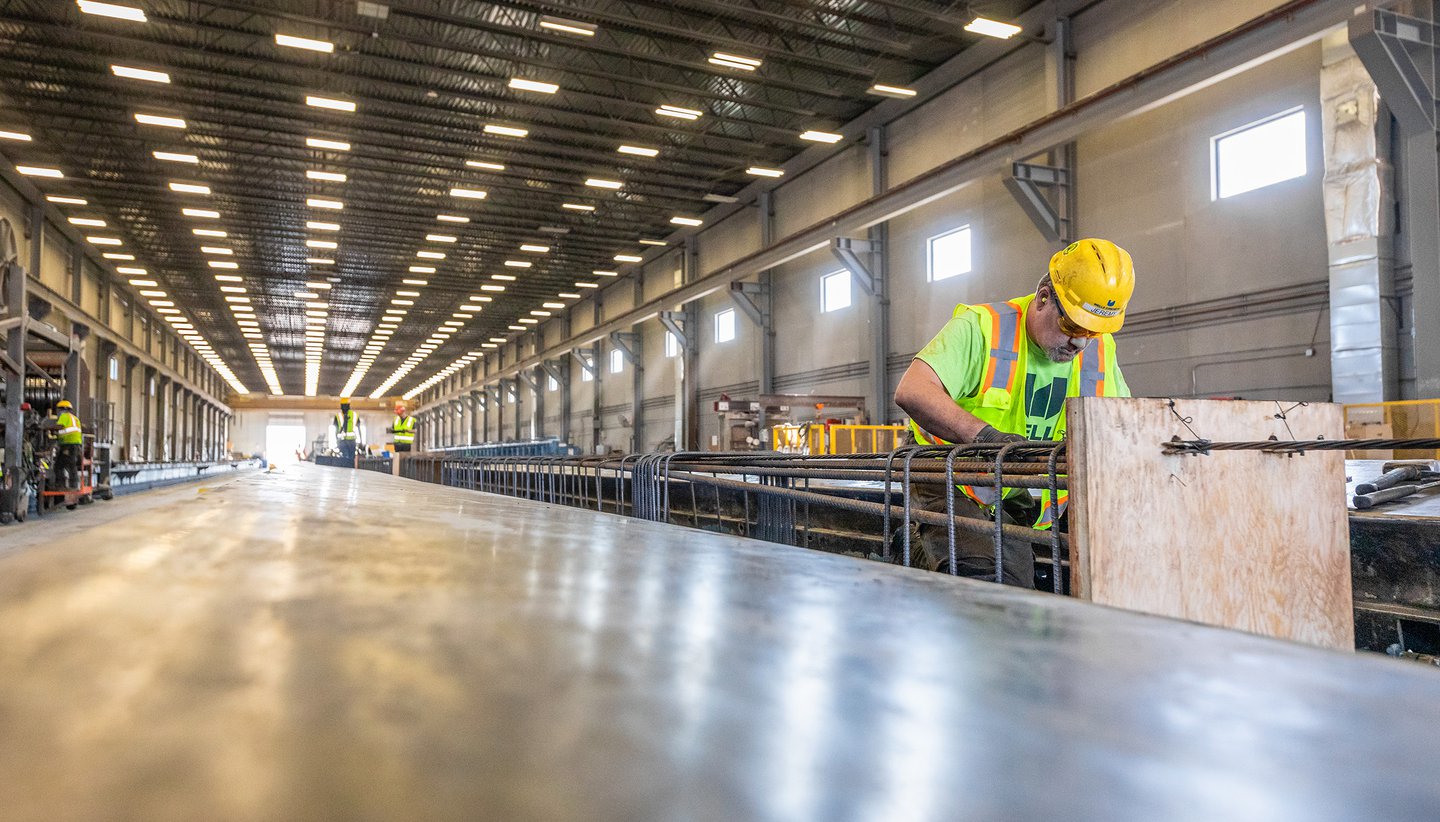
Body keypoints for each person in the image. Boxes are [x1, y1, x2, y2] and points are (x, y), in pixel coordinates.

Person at [893, 238, 1135, 588]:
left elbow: (1122, 422)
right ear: (1043, 298)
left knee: (1021, 581)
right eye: (1072, 326)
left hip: (1016, 484)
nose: (1081, 343)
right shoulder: (982, 328)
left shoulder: (1100, 352)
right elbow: (912, 390)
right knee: (984, 580)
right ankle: (917, 547)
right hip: (948, 471)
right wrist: (986, 438)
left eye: (1093, 331)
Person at [49, 399, 84, 490]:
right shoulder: (75, 418)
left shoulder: (64, 416)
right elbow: (67, 431)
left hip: (68, 444)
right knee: (70, 465)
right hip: (74, 444)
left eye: (58, 410)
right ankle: (72, 485)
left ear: (62, 409)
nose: (57, 413)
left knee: (59, 466)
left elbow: (60, 426)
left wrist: (47, 427)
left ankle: (62, 485)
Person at [334, 398, 358, 462]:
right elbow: (336, 430)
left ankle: (350, 470)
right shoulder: (338, 416)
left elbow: (335, 431)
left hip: (350, 441)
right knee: (346, 459)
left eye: (345, 405)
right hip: (343, 441)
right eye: (343, 405)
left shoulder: (354, 415)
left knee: (349, 459)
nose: (343, 407)